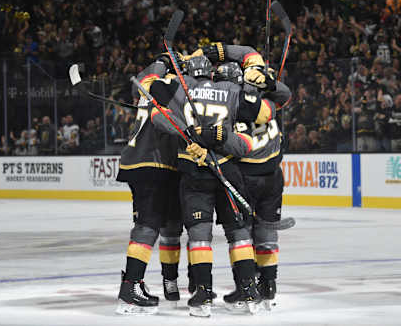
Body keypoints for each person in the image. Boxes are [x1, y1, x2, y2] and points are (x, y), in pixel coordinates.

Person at [150, 54, 278, 317]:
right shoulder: (232, 89)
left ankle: (203, 295)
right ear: (211, 73)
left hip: (194, 170)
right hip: (228, 168)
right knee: (239, 231)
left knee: (199, 234)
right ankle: (249, 291)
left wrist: (187, 133)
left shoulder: (182, 85)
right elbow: (259, 122)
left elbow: (155, 111)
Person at [215, 61, 292, 310]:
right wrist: (267, 82)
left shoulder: (227, 107)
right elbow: (284, 95)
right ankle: (268, 285)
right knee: (267, 231)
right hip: (273, 175)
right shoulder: (266, 102)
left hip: (244, 175)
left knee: (241, 234)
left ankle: (245, 286)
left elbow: (228, 143)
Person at [115, 59, 182, 315]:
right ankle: (129, 289)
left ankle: (138, 282)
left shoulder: (150, 83)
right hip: (152, 163)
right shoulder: (177, 89)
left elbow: (148, 75)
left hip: (139, 163)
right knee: (148, 226)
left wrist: (160, 61)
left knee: (162, 225)